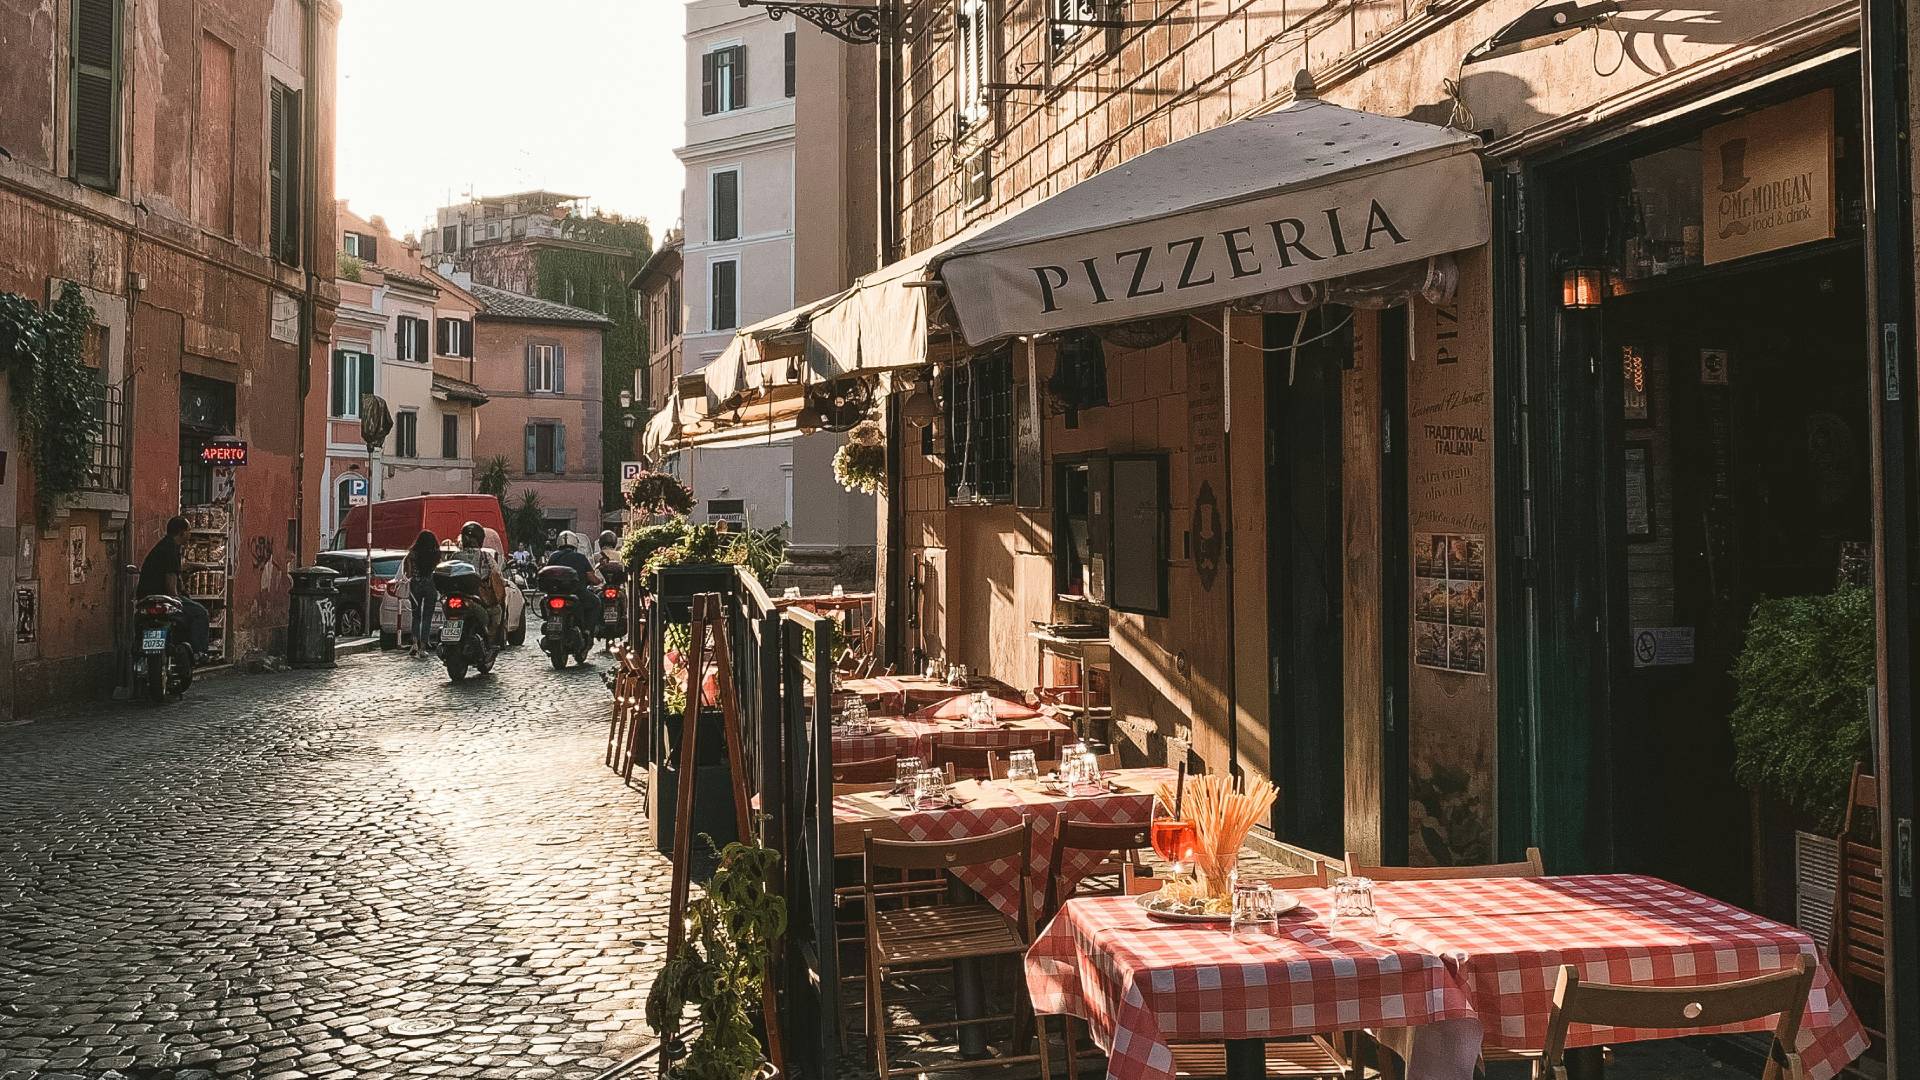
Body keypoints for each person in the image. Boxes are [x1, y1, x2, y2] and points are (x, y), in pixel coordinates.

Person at [137, 515, 210, 660]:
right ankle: (198, 653)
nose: (190, 533)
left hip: (146, 596)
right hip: (165, 597)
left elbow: (177, 567)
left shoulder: (164, 545)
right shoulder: (171, 550)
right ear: (182, 532)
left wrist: (196, 566)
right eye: (189, 530)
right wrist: (175, 598)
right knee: (200, 613)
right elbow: (170, 578)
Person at [456, 521, 507, 647]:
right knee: (497, 612)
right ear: (480, 539)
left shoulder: (455, 555)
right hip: (476, 597)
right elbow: (497, 574)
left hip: (457, 595)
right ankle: (489, 641)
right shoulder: (485, 556)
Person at [545, 530, 603, 628]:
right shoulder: (580, 557)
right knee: (596, 602)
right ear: (575, 543)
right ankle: (588, 630)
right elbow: (591, 577)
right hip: (577, 592)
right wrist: (599, 581)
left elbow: (547, 573)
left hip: (555, 593)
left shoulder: (553, 557)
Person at [402, 529, 441, 658]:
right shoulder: (435, 553)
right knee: (427, 617)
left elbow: (406, 572)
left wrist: (412, 575)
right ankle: (423, 646)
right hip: (430, 584)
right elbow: (438, 568)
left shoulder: (412, 553)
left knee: (416, 615)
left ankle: (414, 643)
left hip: (415, 584)